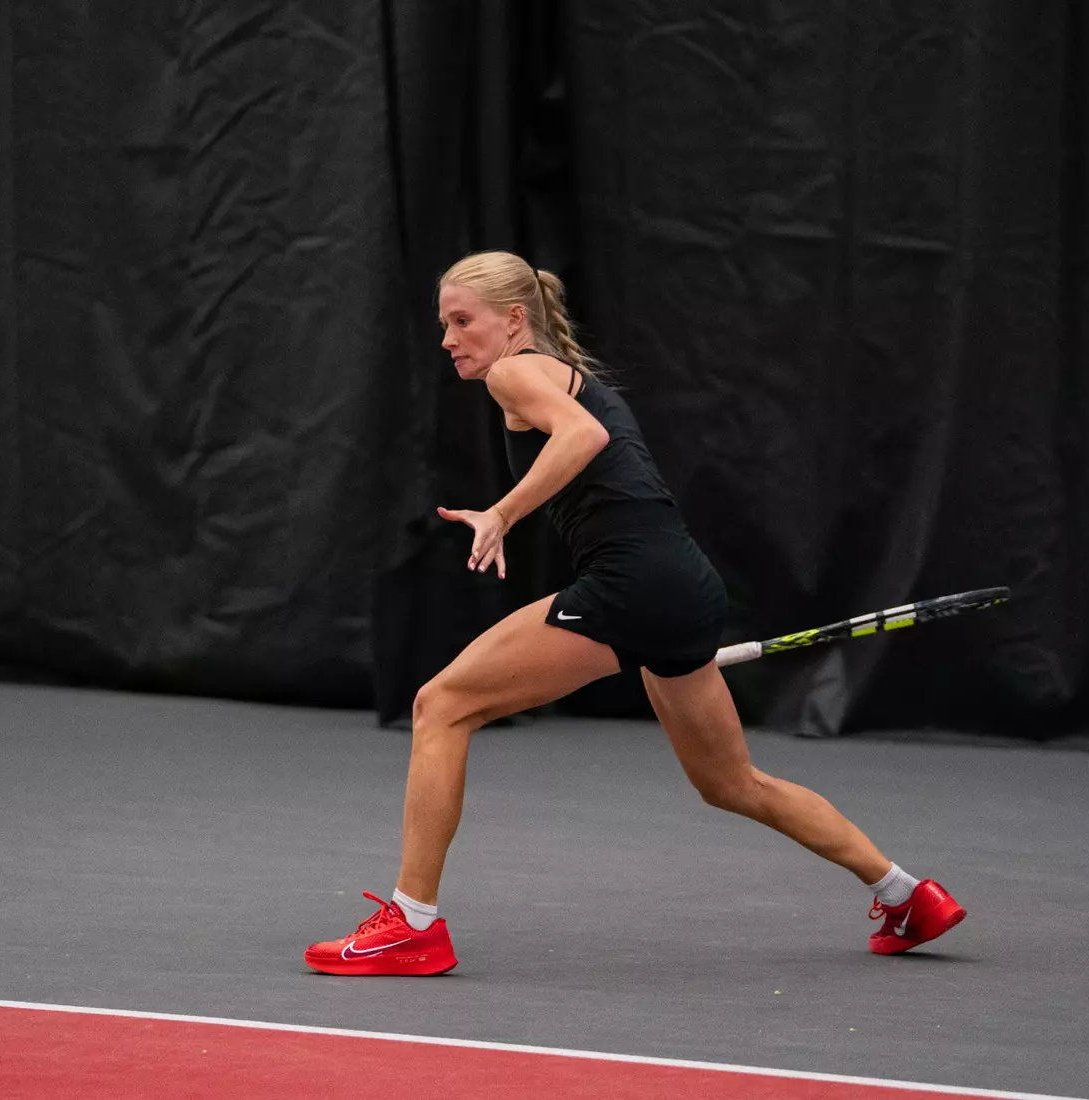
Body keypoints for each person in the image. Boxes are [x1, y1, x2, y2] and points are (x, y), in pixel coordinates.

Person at [304, 250, 966, 976]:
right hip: (682, 586)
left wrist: (502, 512)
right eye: (443, 324)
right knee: (731, 782)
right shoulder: (559, 376)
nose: (449, 339)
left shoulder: (514, 371)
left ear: (514, 320)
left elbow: (582, 439)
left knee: (441, 705)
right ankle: (907, 897)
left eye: (462, 321)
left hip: (632, 585)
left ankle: (412, 925)